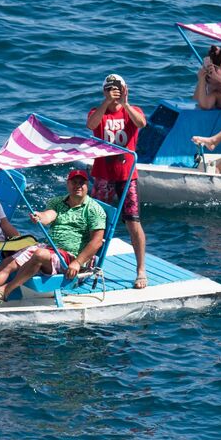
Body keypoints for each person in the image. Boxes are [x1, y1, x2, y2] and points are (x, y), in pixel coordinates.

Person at [0, 169, 106, 307]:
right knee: (11, 261)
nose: (78, 186)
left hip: (72, 258)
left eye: (82, 183)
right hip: (52, 250)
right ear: (68, 184)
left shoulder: (94, 209)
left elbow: (97, 241)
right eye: (74, 182)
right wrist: (40, 217)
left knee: (39, 254)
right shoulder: (58, 202)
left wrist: (77, 263)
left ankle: (5, 290)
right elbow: (49, 215)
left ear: (87, 185)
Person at [87, 74, 148, 289]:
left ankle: (141, 269)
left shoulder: (133, 111)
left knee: (133, 221)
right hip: (103, 174)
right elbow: (91, 124)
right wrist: (106, 102)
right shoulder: (98, 112)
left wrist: (126, 103)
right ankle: (89, 261)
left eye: (118, 89)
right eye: (111, 89)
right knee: (95, 221)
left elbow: (142, 123)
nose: (115, 93)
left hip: (126, 175)